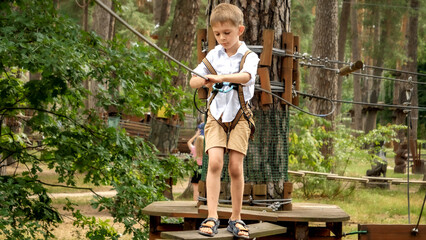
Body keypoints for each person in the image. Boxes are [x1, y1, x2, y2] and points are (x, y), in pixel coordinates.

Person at [189, 3, 259, 239]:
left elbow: (246, 77)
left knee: (235, 167)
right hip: (216, 117)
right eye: (217, 34)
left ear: (240, 30)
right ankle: (212, 215)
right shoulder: (213, 55)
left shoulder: (249, 56)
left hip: (240, 117)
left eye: (226, 33)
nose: (221, 38)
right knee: (215, 163)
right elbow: (193, 81)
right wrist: (204, 80)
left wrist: (221, 76)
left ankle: (236, 218)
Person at [187, 129, 204, 201]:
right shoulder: (206, 151)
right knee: (204, 188)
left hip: (196, 169)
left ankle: (195, 203)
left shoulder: (194, 149)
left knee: (196, 190)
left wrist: (196, 135)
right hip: (204, 169)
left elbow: (189, 142)